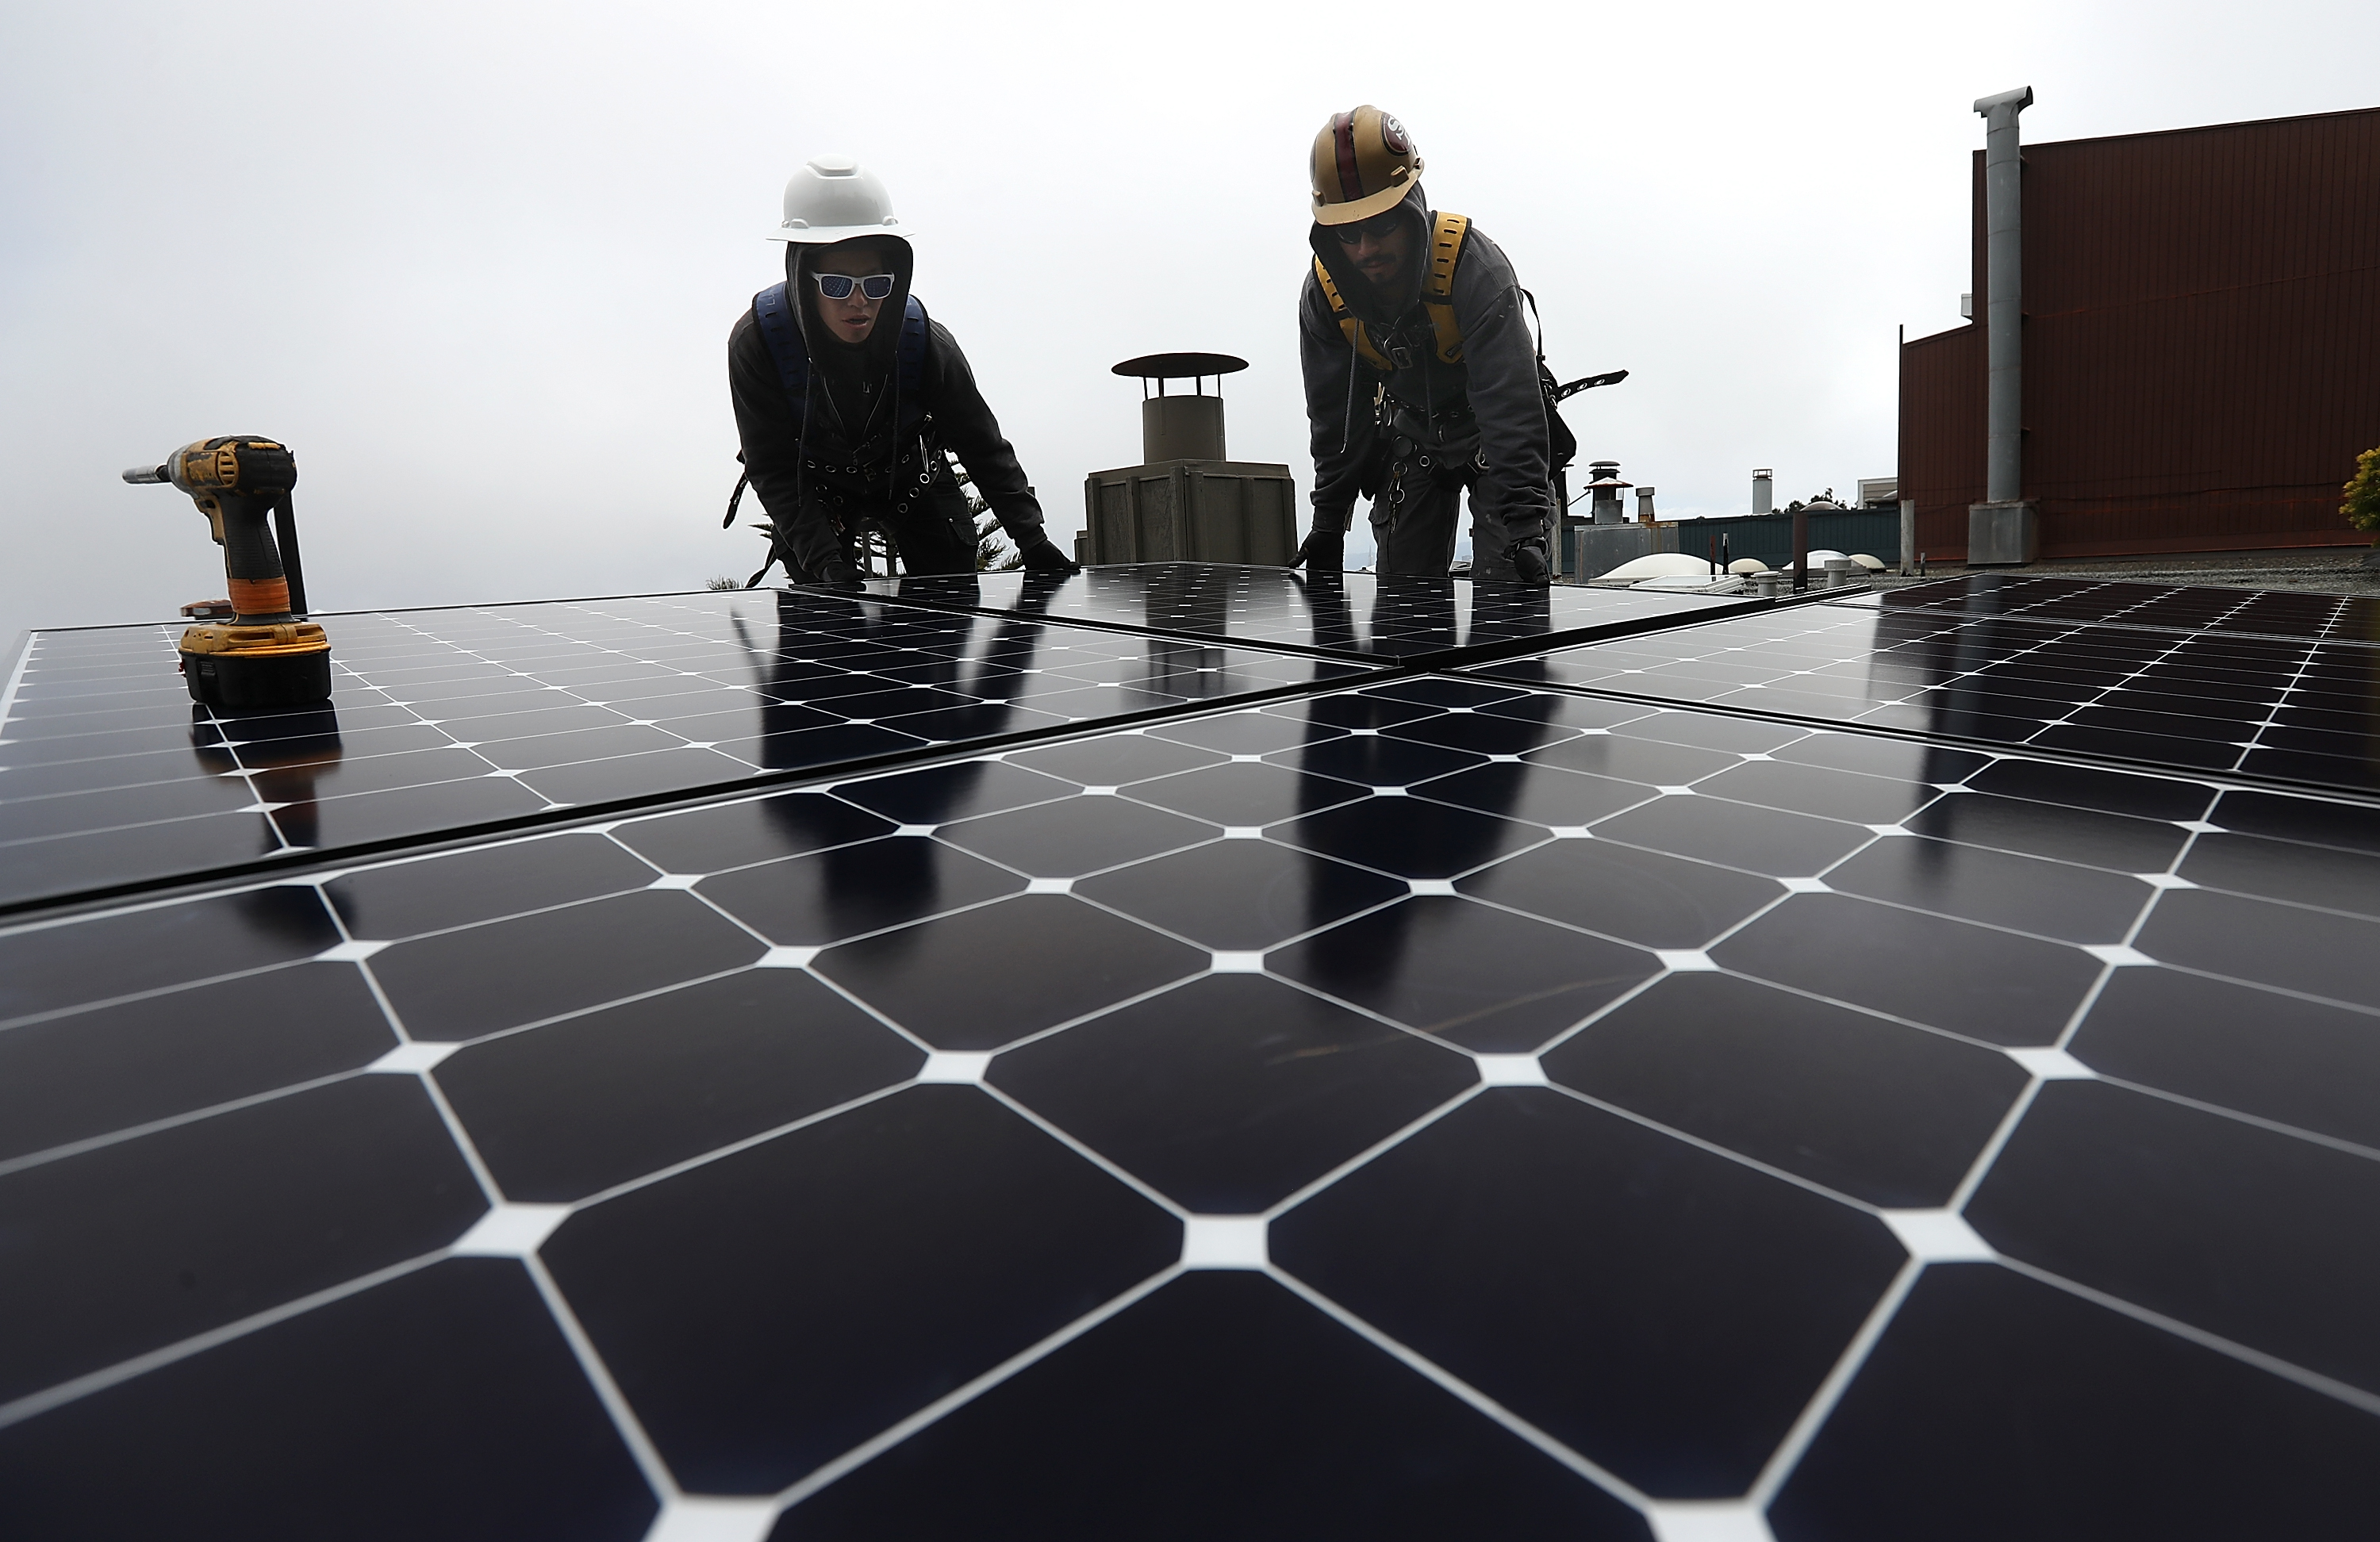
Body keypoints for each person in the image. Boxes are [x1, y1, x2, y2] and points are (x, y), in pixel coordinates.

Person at [729, 156, 1077, 589]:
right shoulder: (757, 342)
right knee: (827, 624)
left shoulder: (924, 341)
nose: (859, 301)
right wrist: (827, 564)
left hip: (913, 477)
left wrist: (1032, 537)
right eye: (837, 284)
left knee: (951, 609)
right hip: (813, 491)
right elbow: (772, 466)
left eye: (876, 284)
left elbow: (980, 443)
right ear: (802, 276)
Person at [1295, 106, 1556, 585]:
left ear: (1413, 208)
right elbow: (1335, 419)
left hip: (1494, 440)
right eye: (1348, 234)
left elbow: (1511, 406)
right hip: (1411, 433)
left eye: (1382, 225)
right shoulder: (1324, 296)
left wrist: (1525, 523)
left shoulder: (1476, 270)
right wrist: (1329, 521)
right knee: (1403, 609)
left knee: (1509, 595)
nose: (1366, 249)